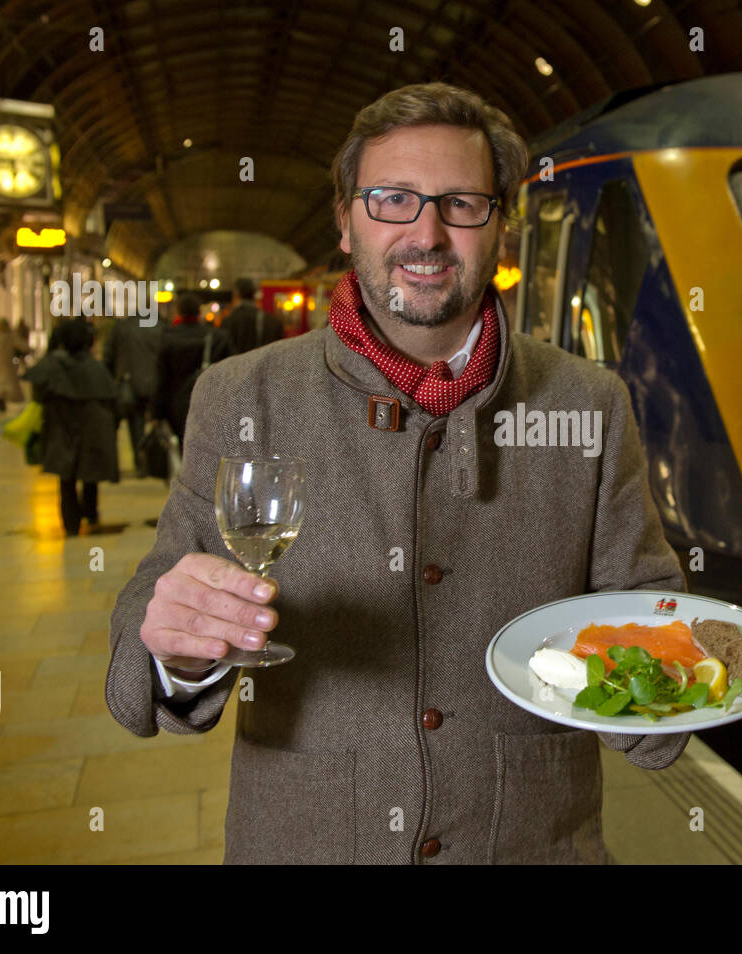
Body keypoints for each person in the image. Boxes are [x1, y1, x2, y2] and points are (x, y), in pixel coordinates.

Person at [106, 82, 687, 865]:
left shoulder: (592, 404)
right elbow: (153, 628)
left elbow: (651, 624)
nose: (428, 233)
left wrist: (675, 677)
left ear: (501, 229)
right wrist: (178, 650)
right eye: (392, 200)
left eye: (463, 203)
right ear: (345, 221)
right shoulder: (244, 395)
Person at [23, 319, 120, 536]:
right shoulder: (96, 369)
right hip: (92, 427)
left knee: (65, 477)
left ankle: (71, 522)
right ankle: (91, 513)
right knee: (89, 472)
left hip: (60, 427)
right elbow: (113, 402)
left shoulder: (51, 367)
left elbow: (38, 395)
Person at [152, 294, 233, 446]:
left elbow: (162, 378)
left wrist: (156, 413)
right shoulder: (217, 337)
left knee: (184, 445)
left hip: (176, 403)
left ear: (179, 312)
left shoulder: (168, 337)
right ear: (199, 312)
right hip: (209, 399)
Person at [103, 313, 163, 476]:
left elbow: (108, 355)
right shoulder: (159, 327)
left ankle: (139, 461)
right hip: (153, 383)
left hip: (129, 383)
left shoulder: (122, 327)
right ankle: (151, 461)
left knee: (134, 422)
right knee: (152, 422)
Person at [218, 278, 283, 354]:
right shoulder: (273, 322)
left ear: (236, 293)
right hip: (266, 364)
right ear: (254, 293)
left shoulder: (228, 321)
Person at [0, 317, 27, 413]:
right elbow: (22, 346)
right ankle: (4, 398)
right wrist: (29, 349)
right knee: (7, 381)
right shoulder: (10, 336)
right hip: (6, 362)